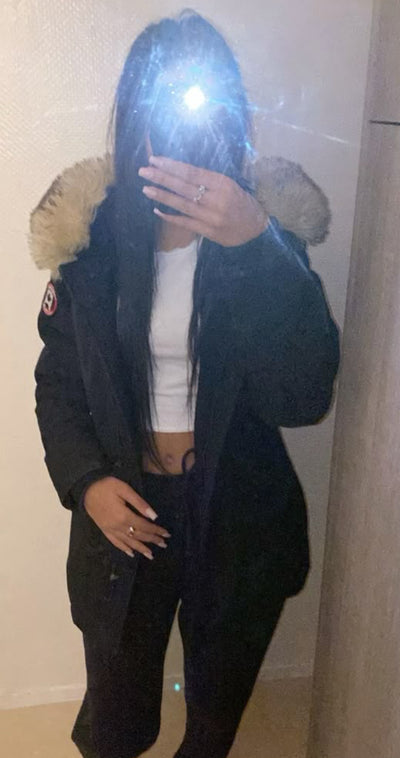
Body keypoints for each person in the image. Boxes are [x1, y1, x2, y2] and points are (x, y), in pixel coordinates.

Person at [30, 9, 339, 758]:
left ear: (228, 117)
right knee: (115, 721)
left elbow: (304, 395)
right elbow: (58, 385)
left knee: (211, 718)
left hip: (234, 509)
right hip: (124, 504)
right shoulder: (92, 238)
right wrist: (87, 482)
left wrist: (255, 246)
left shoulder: (264, 232)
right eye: (158, 105)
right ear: (135, 116)